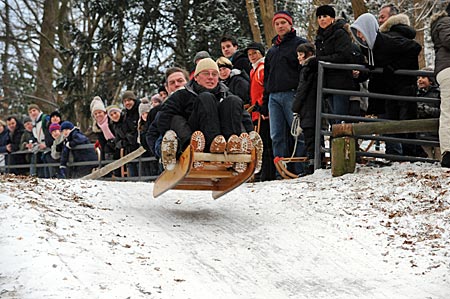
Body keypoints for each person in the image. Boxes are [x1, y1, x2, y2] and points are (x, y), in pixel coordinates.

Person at [157, 58, 261, 172]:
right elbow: (164, 118)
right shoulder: (182, 95)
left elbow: (244, 117)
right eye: (206, 73)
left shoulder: (226, 94)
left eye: (214, 74)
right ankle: (210, 145)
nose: (211, 77)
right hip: (195, 138)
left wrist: (249, 134)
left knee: (233, 101)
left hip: (226, 139)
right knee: (205, 98)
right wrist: (178, 142)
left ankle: (235, 147)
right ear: (196, 77)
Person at [351, 13, 422, 158]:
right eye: (357, 32)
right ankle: (396, 157)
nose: (359, 35)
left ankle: (410, 156)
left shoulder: (388, 41)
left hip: (404, 86)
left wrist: (394, 67)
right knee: (391, 123)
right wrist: (362, 73)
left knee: (406, 122)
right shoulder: (369, 48)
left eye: (361, 31)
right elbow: (373, 67)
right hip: (389, 90)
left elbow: (415, 47)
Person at [264, 10, 307, 176]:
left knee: (298, 133)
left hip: (292, 94)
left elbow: (305, 72)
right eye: (277, 23)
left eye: (283, 22)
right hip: (273, 97)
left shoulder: (300, 44)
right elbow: (267, 77)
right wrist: (264, 101)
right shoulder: (272, 50)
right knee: (276, 135)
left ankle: (300, 168)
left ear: (290, 24)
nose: (280, 26)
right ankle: (280, 171)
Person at [315, 5, 354, 120]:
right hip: (326, 82)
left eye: (325, 16)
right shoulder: (319, 37)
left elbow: (343, 56)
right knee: (332, 119)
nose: (322, 19)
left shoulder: (340, 33)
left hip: (340, 82)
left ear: (332, 18)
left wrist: (321, 60)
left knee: (339, 118)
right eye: (319, 17)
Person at [245, 41, 274, 180]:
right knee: (260, 143)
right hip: (256, 112)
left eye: (254, 53)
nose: (252, 56)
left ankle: (268, 173)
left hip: (263, 112)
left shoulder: (261, 69)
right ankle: (262, 172)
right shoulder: (253, 70)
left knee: (266, 144)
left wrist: (263, 106)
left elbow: (265, 89)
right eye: (249, 54)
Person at [146, 67, 190, 161]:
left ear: (187, 82)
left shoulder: (197, 100)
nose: (177, 84)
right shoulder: (159, 110)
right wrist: (158, 152)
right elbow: (150, 134)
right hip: (173, 155)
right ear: (167, 88)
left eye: (180, 81)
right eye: (172, 83)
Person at [292, 43, 319, 175]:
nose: (299, 58)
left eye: (301, 54)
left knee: (310, 135)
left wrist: (295, 105)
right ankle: (315, 162)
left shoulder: (308, 68)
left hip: (308, 106)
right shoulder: (312, 67)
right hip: (312, 105)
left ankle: (312, 164)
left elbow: (303, 88)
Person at [431, 3, 450, 167]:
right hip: (448, 69)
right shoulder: (446, 22)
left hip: (445, 69)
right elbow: (448, 40)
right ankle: (447, 153)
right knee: (448, 112)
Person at [416, 67, 441, 159]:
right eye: (419, 77)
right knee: (426, 158)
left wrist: (427, 109)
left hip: (437, 134)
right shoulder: (416, 94)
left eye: (423, 77)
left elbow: (442, 111)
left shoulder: (438, 94)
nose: (420, 80)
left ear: (431, 80)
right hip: (422, 134)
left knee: (439, 158)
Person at [121, 90, 141, 176]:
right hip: (130, 148)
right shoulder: (125, 114)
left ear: (134, 100)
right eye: (125, 101)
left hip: (140, 146)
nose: (127, 103)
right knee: (133, 175)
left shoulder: (140, 110)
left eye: (129, 100)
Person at [27, 104, 49, 177]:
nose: (32, 113)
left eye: (34, 110)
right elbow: (35, 136)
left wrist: (46, 143)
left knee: (48, 166)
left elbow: (50, 132)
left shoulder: (45, 119)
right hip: (40, 147)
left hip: (48, 146)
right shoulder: (34, 123)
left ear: (38, 111)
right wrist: (31, 143)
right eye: (30, 112)